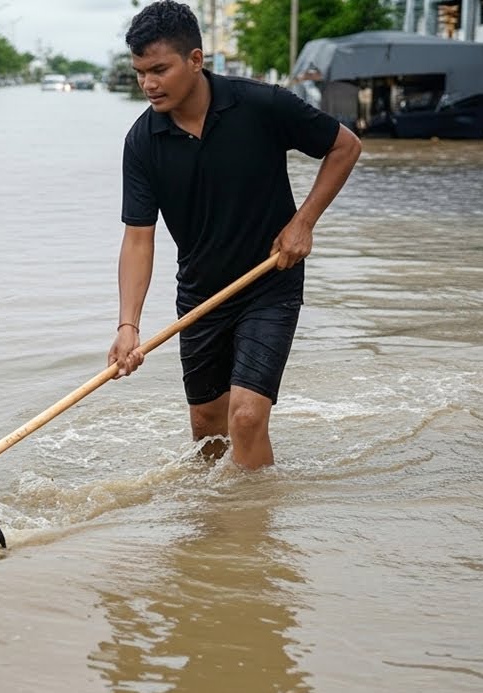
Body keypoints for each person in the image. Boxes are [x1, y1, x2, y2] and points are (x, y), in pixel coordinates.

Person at [107, 0, 362, 470]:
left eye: (159, 69)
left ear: (196, 60)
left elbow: (345, 146)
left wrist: (302, 221)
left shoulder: (260, 104)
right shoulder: (142, 142)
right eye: (141, 71)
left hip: (269, 282)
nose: (148, 83)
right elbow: (139, 238)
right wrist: (128, 326)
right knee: (207, 427)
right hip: (202, 293)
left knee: (246, 416)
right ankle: (215, 531)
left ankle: (253, 536)